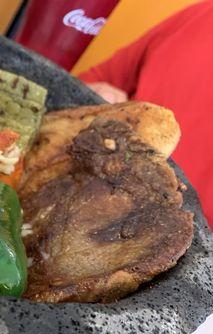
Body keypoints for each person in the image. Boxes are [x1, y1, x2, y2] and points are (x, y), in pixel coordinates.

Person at [79, 1, 213, 228]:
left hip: (169, 242)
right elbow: (87, 83)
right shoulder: (204, 14)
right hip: (80, 178)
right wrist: (96, 98)